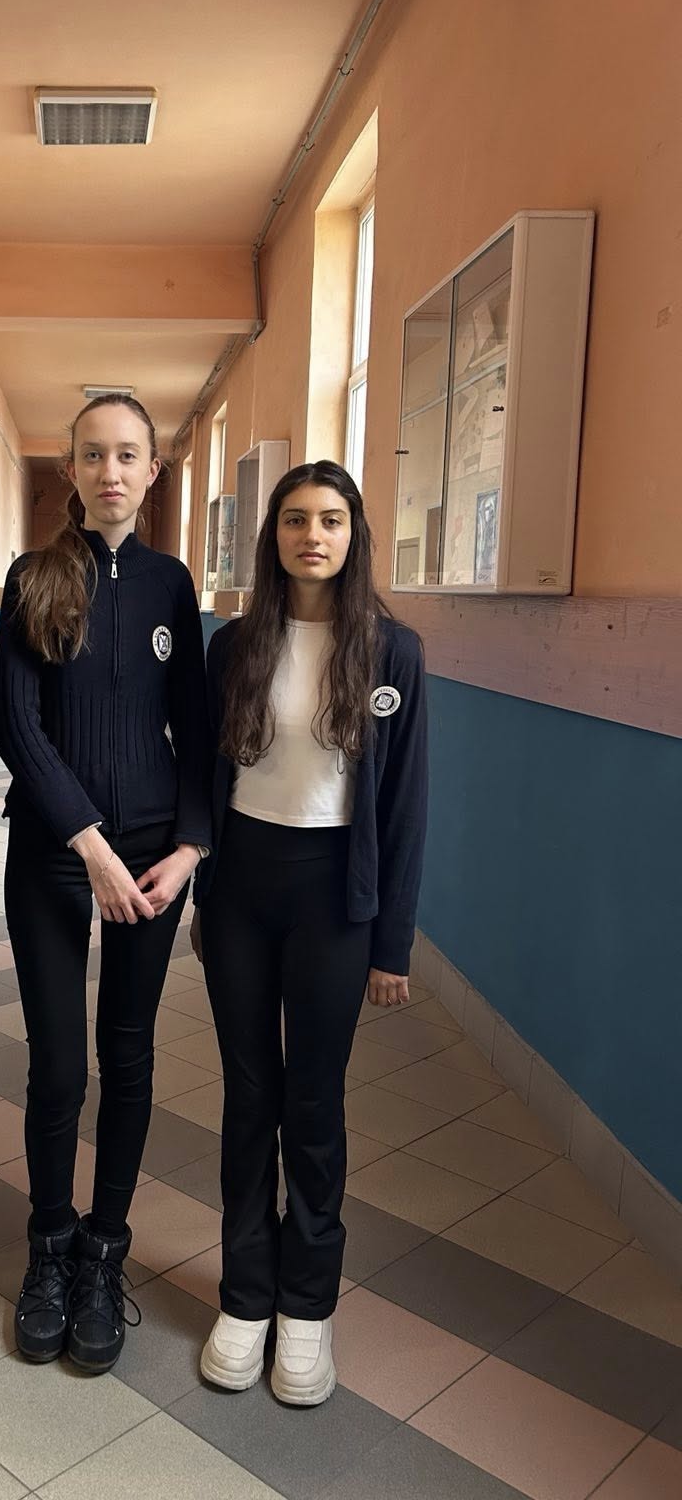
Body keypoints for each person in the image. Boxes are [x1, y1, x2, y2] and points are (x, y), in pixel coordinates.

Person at [194, 460, 427, 1407]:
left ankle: (306, 1307)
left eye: (331, 520)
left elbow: (404, 805)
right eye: (295, 520)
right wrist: (202, 890)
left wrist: (391, 944)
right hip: (243, 889)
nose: (312, 536)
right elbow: (206, 777)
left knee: (314, 1102)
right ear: (274, 535)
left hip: (336, 896)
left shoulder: (393, 652)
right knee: (251, 1095)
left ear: (354, 533)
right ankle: (246, 1297)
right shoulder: (233, 646)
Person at [0, 394, 211, 1374]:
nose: (111, 471)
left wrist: (191, 845)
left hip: (155, 854)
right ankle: (48, 1246)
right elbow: (17, 725)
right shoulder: (33, 578)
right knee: (58, 1066)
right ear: (70, 469)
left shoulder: (171, 584)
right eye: (93, 455)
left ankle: (103, 1250)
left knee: (127, 1055)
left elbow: (197, 726)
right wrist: (88, 840)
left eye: (128, 455)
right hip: (56, 849)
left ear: (152, 470)